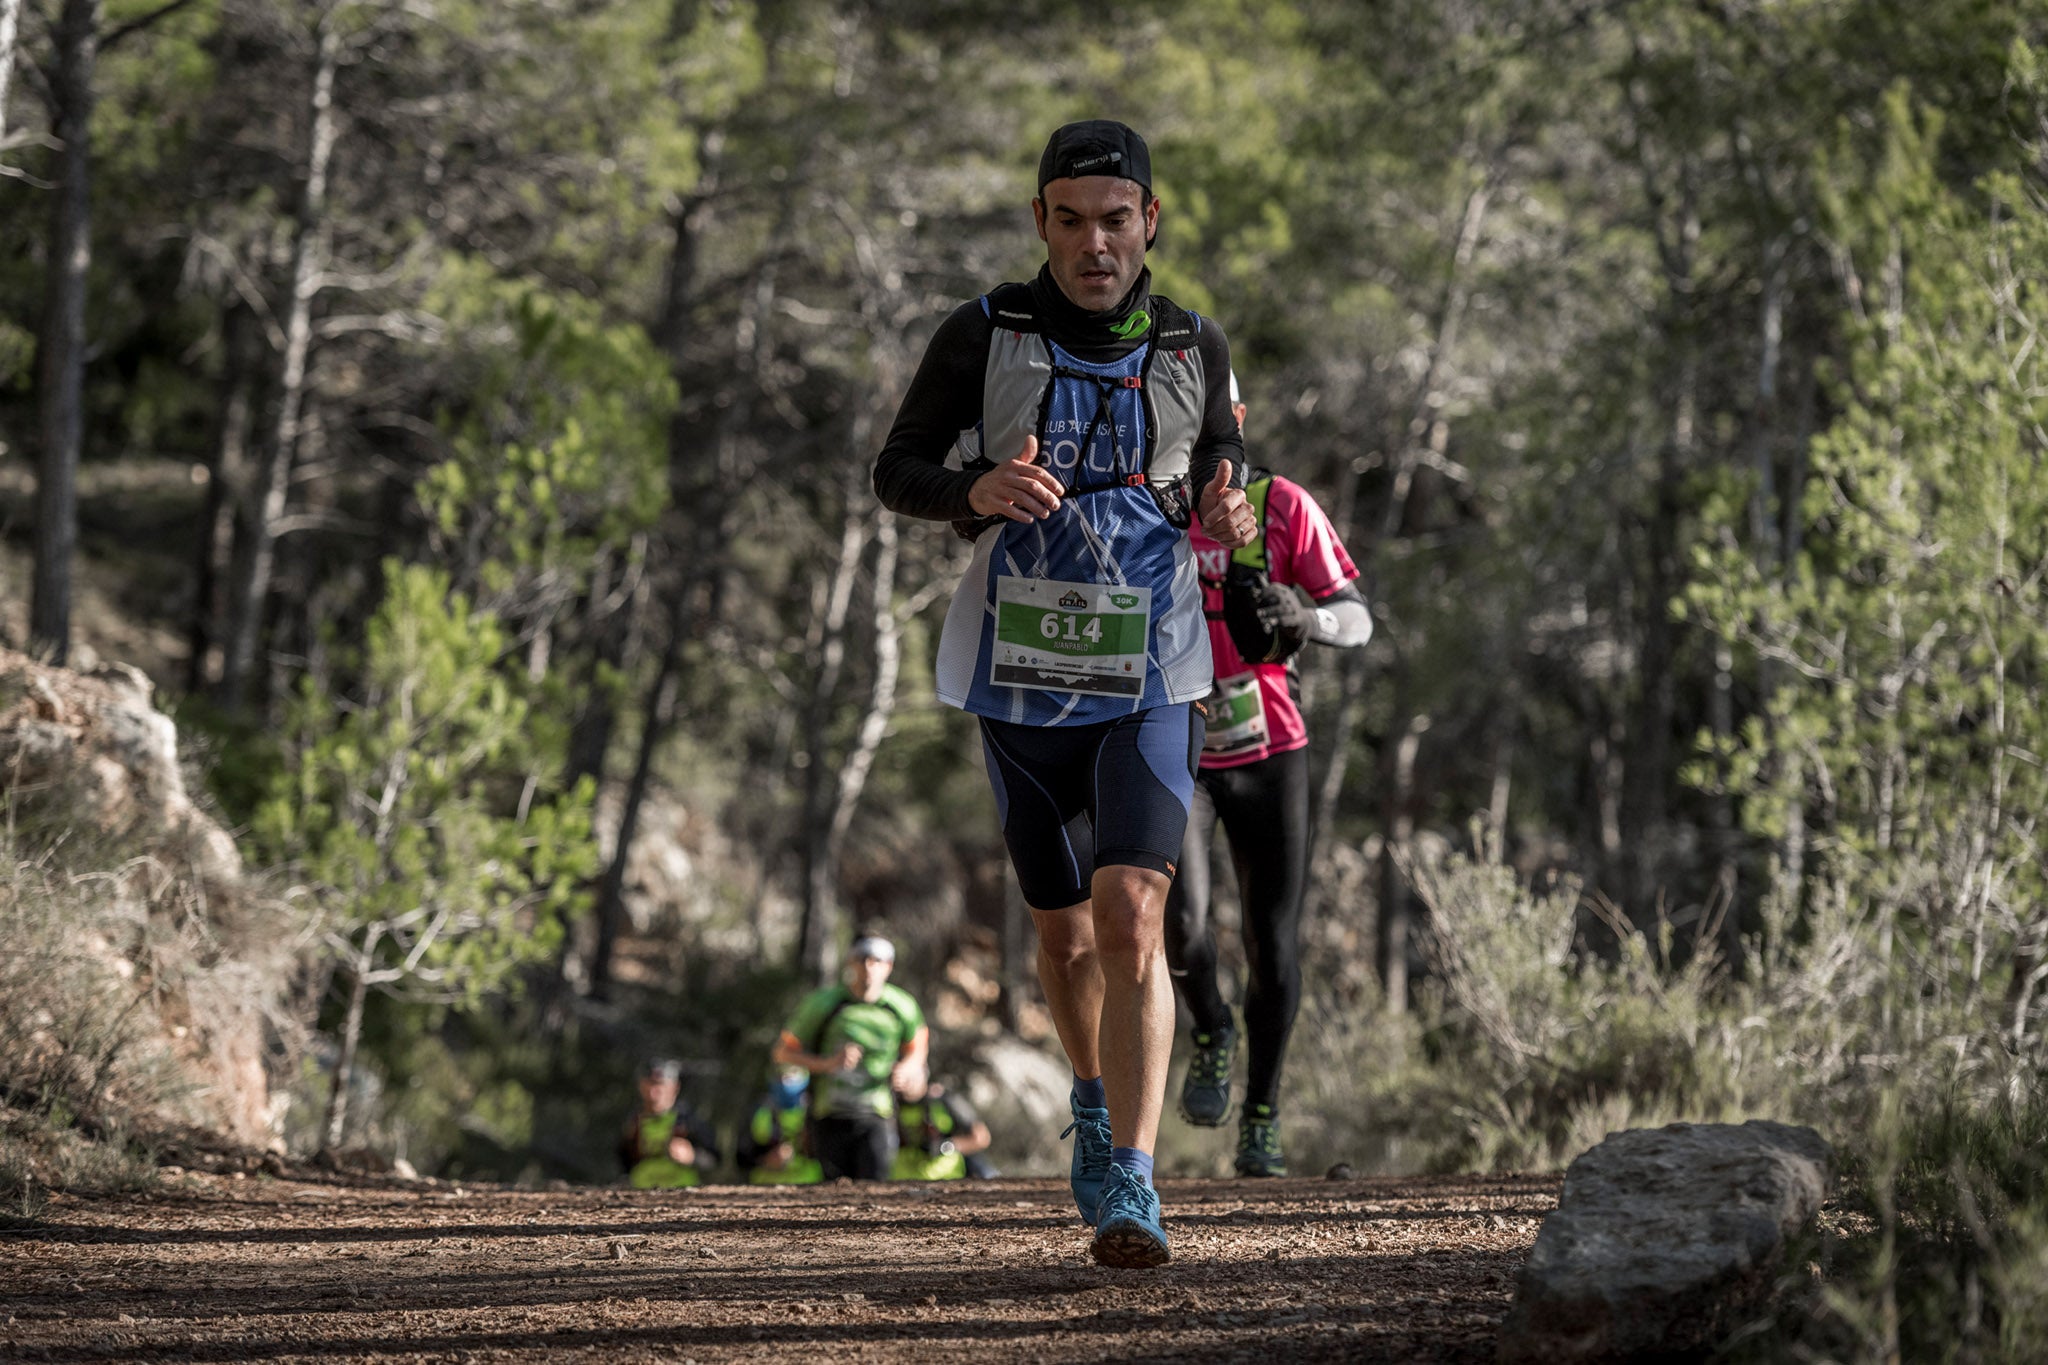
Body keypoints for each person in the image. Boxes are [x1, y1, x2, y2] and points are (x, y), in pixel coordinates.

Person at [873, 119, 1257, 1267]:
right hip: (1019, 677)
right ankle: (1088, 1100)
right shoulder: (984, 330)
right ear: (1041, 221)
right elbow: (896, 469)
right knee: (1061, 932)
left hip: (1152, 672)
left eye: (1116, 218)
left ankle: (1134, 1184)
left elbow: (1226, 483)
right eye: (1072, 219)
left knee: (1134, 913)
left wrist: (1230, 518)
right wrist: (975, 489)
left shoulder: (1193, 344)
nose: (1096, 242)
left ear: (1150, 222)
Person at [1166, 374, 1372, 1177]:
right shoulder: (1152, 506)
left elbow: (1356, 614)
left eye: (1213, 415)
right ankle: (1211, 1029)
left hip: (1269, 748)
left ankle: (1262, 1110)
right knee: (1180, 918)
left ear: (1237, 419)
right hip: (1174, 741)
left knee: (1271, 941)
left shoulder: (1283, 505)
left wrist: (1306, 617)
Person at [771, 934, 929, 1181]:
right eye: (862, 960)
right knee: (835, 1195)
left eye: (877, 961)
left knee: (875, 1191)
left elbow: (918, 1048)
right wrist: (828, 1064)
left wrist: (907, 1068)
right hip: (829, 1112)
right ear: (850, 964)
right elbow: (783, 1052)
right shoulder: (823, 1003)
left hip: (877, 1111)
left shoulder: (902, 1006)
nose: (869, 968)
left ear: (889, 967)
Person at [616, 1057, 720, 1189]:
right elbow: (623, 1161)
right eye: (648, 1084)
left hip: (683, 1192)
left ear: (674, 1087)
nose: (653, 1092)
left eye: (660, 1084)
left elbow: (714, 1159)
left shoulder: (689, 1120)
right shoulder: (632, 1121)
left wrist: (692, 1157)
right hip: (641, 1194)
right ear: (640, 1086)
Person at [890, 1076, 997, 1181]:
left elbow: (982, 1138)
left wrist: (946, 1146)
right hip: (905, 1177)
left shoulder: (943, 1099)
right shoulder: (890, 1103)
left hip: (949, 1176)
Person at [735, 1066, 824, 1186]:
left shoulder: (816, 1111)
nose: (785, 1078)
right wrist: (765, 1159)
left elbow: (832, 1155)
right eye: (780, 1073)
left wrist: (806, 1147)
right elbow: (741, 1156)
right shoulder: (760, 1110)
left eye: (793, 1072)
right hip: (764, 1188)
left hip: (809, 1187)